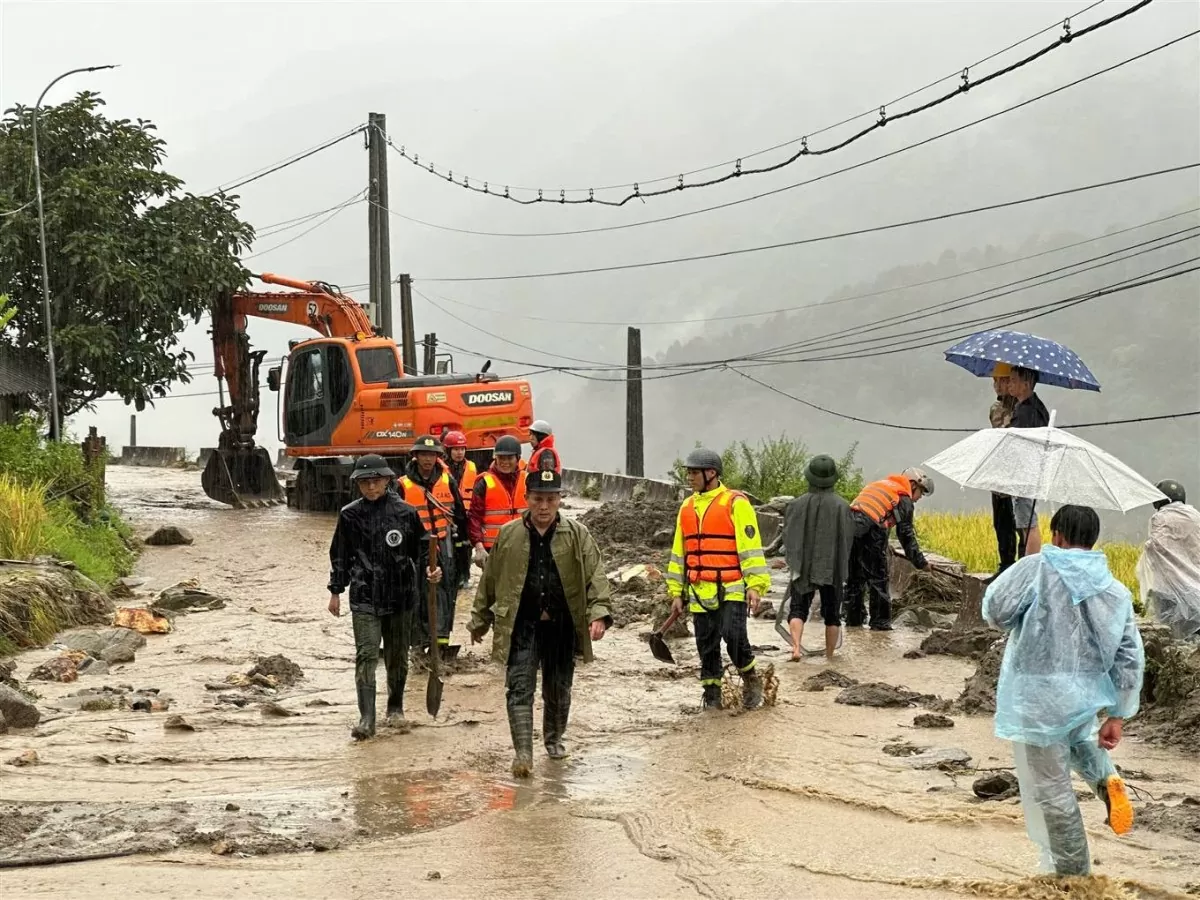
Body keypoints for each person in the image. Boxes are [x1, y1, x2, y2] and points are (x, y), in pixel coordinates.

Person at [982, 504, 1143, 876]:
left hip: (1037, 698)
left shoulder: (1036, 568)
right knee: (1079, 739)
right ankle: (1107, 780)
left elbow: (995, 612)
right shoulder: (1115, 590)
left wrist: (1022, 569)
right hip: (1083, 695)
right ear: (1092, 539)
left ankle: (1074, 875)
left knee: (1052, 790)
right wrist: (1118, 714)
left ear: (1057, 535)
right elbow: (1130, 654)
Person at [468, 468, 613, 777]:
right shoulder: (509, 534)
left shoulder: (577, 534)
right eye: (538, 499)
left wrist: (598, 611)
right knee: (519, 687)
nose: (544, 507)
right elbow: (490, 579)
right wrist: (479, 620)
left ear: (560, 499)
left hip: (562, 624)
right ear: (527, 499)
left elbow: (595, 575)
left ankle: (554, 740)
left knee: (558, 688)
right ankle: (523, 752)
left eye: (550, 499)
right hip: (522, 623)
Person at [327, 454, 440, 740]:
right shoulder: (349, 515)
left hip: (401, 595)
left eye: (375, 481)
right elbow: (339, 555)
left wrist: (433, 570)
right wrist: (335, 591)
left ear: (388, 480)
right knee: (366, 655)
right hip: (364, 595)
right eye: (364, 482)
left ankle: (395, 707)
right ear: (358, 485)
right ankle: (367, 718)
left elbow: (424, 548)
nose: (370, 487)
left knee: (397, 656)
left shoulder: (405, 513)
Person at [665, 448, 770, 711]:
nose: (689, 477)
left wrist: (755, 586)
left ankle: (751, 679)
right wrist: (676, 592)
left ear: (711, 473)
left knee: (734, 637)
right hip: (700, 591)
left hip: (731, 587)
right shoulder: (686, 508)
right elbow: (680, 552)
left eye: (693, 472)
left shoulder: (735, 503)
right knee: (706, 647)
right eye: (687, 472)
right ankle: (712, 698)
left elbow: (750, 548)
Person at [398, 435, 469, 655]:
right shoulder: (402, 485)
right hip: (414, 549)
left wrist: (464, 549)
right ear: (415, 456)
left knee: (445, 593)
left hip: (444, 546)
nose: (428, 459)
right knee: (415, 594)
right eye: (423, 454)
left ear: (438, 457)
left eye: (432, 455)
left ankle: (440, 643)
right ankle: (417, 644)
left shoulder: (448, 482)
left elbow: (459, 515)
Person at [780, 455, 854, 662]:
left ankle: (795, 648)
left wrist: (794, 560)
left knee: (797, 608)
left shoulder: (795, 505)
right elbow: (847, 539)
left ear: (809, 477)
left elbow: (788, 535)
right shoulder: (843, 506)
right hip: (832, 568)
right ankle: (830, 655)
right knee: (832, 615)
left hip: (802, 565)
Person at [844, 468, 932, 630]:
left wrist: (884, 544)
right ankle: (880, 624)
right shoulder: (903, 496)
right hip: (870, 529)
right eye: (921, 492)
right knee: (878, 578)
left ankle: (853, 620)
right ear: (912, 484)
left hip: (849, 527)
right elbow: (905, 534)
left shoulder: (882, 485)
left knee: (854, 578)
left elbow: (877, 515)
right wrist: (921, 563)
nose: (919, 498)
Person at [1136, 479, 1200, 639]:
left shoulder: (1160, 518)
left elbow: (1156, 548)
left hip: (1167, 587)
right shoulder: (1196, 516)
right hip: (1195, 586)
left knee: (1171, 635)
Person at [1008, 365, 1051, 557]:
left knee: (1028, 523)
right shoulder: (1034, 407)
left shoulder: (1027, 411)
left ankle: (1031, 562)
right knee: (1026, 521)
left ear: (1026, 384)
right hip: (1031, 471)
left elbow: (1018, 444)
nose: (1009, 384)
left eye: (1014, 380)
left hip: (1025, 472)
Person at [468, 435, 527, 570]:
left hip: (522, 544)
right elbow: (474, 517)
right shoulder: (484, 482)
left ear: (517, 458)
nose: (505, 462)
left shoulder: (528, 480)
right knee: (494, 589)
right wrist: (478, 546)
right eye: (501, 458)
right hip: (493, 548)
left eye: (509, 458)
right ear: (495, 458)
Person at [989, 363, 1019, 576]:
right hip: (999, 472)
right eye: (996, 381)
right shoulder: (997, 409)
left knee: (1019, 522)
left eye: (1003, 380)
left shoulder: (1023, 408)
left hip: (1016, 474)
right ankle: (1005, 564)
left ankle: (1017, 567)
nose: (998, 385)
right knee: (1001, 522)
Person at [442, 430, 478, 591]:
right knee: (448, 547)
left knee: (465, 546)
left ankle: (465, 575)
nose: (459, 452)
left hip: (466, 514)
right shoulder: (441, 468)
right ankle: (451, 575)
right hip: (448, 514)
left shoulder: (471, 467)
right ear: (448, 451)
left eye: (462, 449)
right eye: (456, 449)